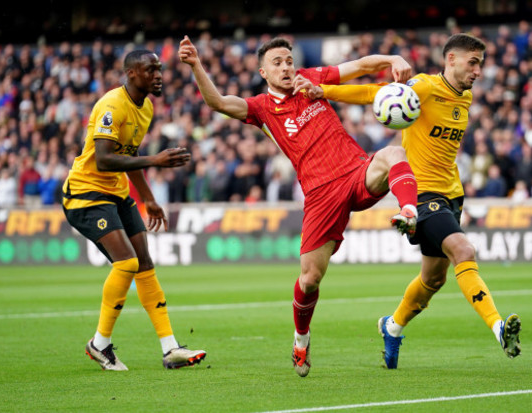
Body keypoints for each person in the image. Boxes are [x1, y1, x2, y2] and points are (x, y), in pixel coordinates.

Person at [179, 35, 419, 377]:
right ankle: (301, 341)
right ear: (264, 71)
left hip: (355, 171)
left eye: (289, 60)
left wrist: (392, 57)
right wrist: (195, 65)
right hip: (320, 195)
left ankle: (409, 212)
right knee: (309, 279)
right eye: (277, 62)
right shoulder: (261, 108)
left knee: (394, 153)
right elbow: (217, 102)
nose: (286, 67)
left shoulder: (313, 78)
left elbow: (362, 66)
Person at [309, 33, 521, 369]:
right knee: (463, 251)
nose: (478, 71)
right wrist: (325, 91)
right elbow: (373, 93)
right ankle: (498, 328)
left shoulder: (463, 97)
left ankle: (391, 327)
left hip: (452, 194)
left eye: (480, 64)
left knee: (433, 279)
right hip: (421, 194)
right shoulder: (422, 87)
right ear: (450, 59)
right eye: (473, 62)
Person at [61, 50, 206, 371]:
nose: (158, 74)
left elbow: (130, 153)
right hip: (86, 193)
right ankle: (99, 344)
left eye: (159, 69)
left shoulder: (147, 106)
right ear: (131, 74)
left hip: (117, 192)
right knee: (126, 262)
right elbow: (104, 159)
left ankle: (170, 349)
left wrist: (149, 197)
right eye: (150, 69)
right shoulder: (112, 106)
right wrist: (155, 161)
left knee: (144, 263)